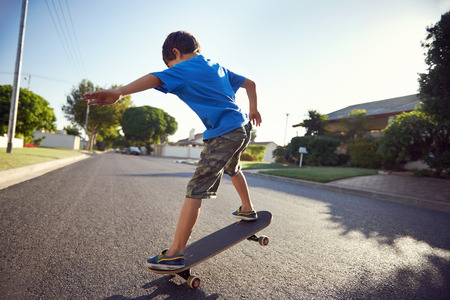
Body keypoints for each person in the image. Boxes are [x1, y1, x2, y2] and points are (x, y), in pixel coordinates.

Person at [82, 31, 262, 271]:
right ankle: (247, 209)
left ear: (175, 53)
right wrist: (254, 110)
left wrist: (119, 92)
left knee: (196, 188)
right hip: (242, 128)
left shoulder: (184, 67)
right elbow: (250, 84)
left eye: (170, 65)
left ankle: (174, 253)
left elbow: (154, 78)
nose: (171, 71)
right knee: (233, 167)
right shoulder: (215, 66)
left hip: (223, 134)